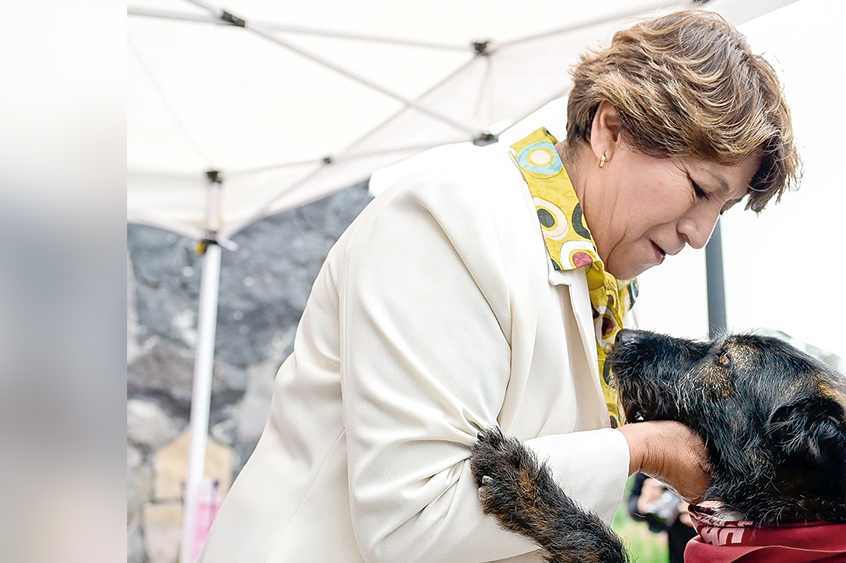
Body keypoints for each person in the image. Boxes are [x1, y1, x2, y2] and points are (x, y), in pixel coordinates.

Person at [198, 9, 799, 563]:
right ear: (611, 129)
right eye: (700, 189)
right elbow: (409, 522)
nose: (700, 233)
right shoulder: (453, 216)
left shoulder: (604, 287)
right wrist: (644, 448)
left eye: (723, 208)